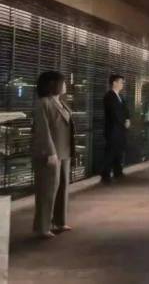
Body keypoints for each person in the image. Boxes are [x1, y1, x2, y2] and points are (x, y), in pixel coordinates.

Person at [31, 71, 75, 238]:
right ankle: (42, 227)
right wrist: (50, 152)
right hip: (50, 153)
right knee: (47, 190)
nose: (65, 85)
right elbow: (43, 130)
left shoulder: (61, 102)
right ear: (52, 84)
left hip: (64, 151)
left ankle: (59, 222)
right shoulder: (43, 103)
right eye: (62, 82)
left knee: (62, 188)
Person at [102, 74, 130, 183]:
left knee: (119, 151)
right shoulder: (109, 96)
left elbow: (126, 110)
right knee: (110, 152)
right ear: (114, 83)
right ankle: (106, 175)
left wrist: (127, 119)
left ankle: (118, 172)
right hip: (112, 129)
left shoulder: (121, 96)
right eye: (121, 82)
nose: (122, 84)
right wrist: (123, 122)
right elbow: (114, 113)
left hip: (120, 129)